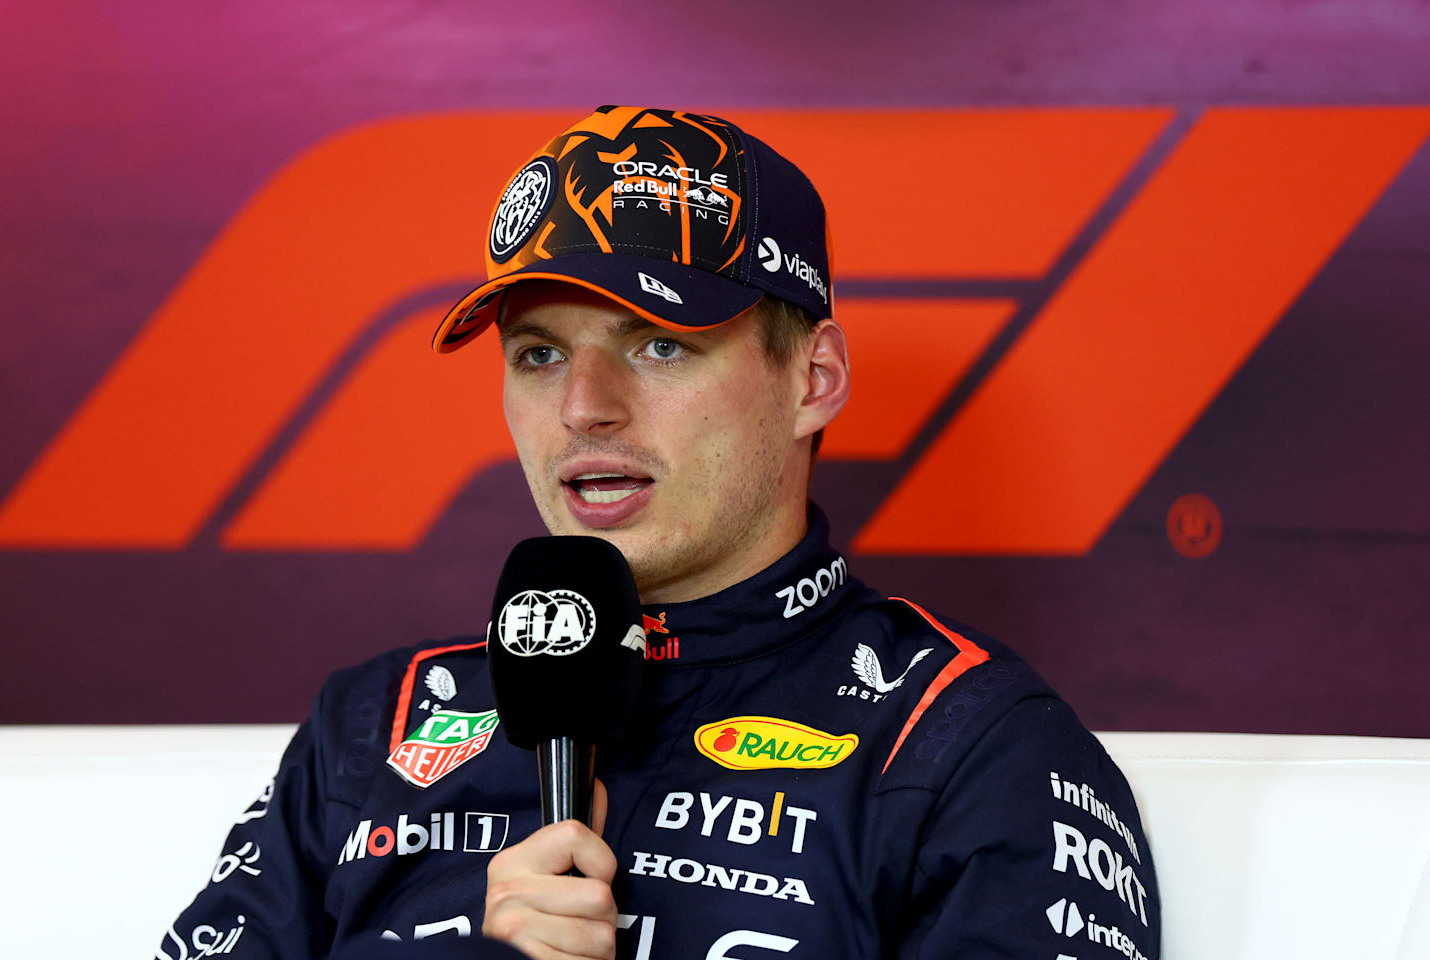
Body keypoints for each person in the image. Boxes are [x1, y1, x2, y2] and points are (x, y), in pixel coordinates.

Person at [158, 105, 1160, 960]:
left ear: (813, 380)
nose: (584, 408)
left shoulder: (970, 744)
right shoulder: (375, 724)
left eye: (660, 344)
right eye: (540, 353)